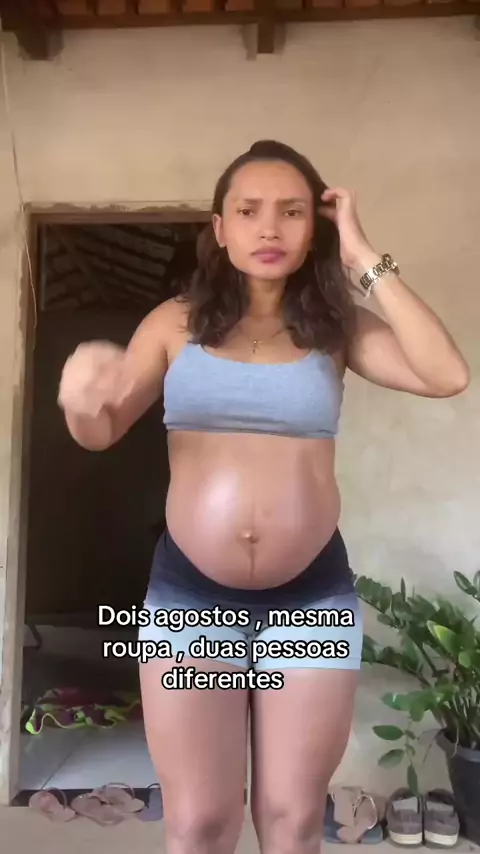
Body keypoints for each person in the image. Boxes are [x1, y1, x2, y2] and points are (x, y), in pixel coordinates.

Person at [58, 140, 469, 854]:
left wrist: (364, 258)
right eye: (248, 212)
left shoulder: (335, 329)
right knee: (198, 823)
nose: (269, 228)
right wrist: (80, 401)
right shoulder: (173, 323)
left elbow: (446, 374)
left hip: (311, 598)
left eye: (292, 212)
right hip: (190, 597)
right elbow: (102, 429)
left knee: (291, 820)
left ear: (317, 228)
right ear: (220, 229)